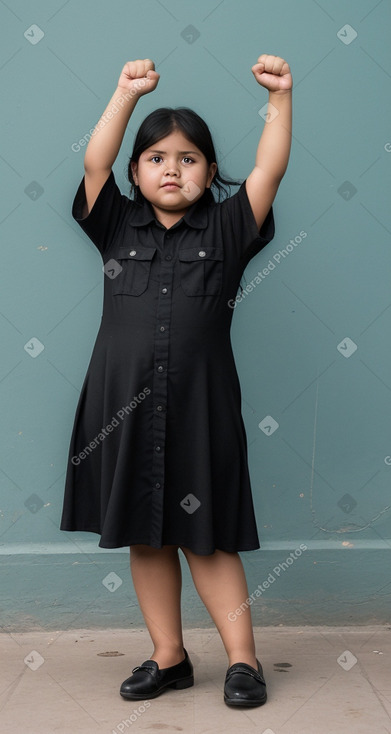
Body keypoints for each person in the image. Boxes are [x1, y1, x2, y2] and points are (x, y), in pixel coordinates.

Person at [60, 55, 292, 707]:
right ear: (137, 172)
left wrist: (279, 98)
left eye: (188, 158)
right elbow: (93, 164)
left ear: (210, 173)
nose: (171, 168)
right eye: (156, 157)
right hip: (121, 406)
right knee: (146, 531)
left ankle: (242, 661)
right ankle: (169, 658)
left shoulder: (228, 227)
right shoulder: (114, 225)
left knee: (207, 535)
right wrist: (124, 94)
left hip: (200, 407)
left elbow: (270, 167)